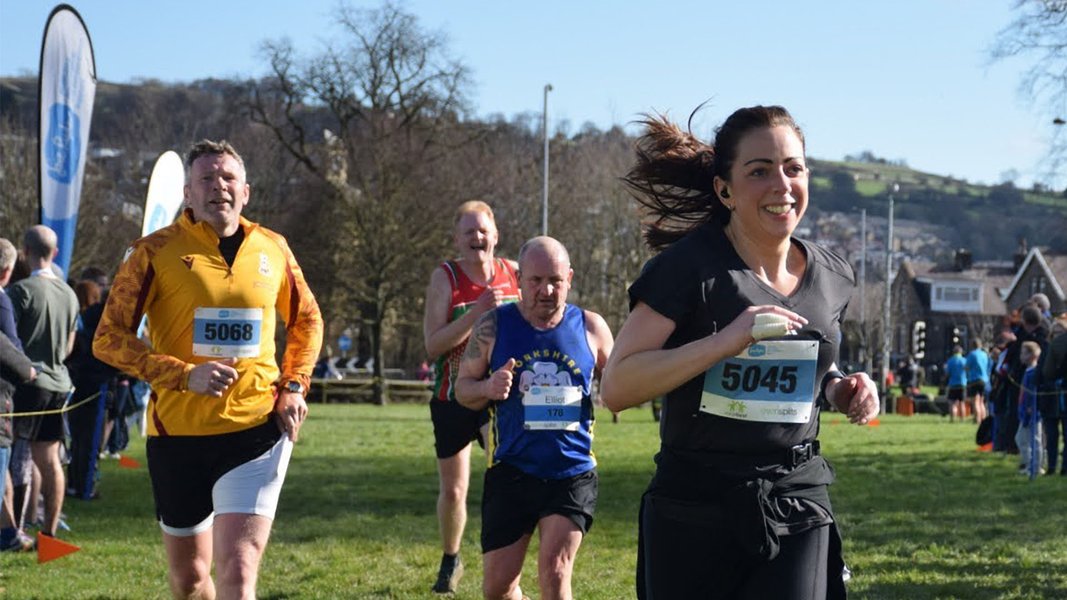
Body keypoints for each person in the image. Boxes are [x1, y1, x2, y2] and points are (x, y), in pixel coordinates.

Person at [600, 106, 878, 599]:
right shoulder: (688, 270)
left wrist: (841, 388)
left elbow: (817, 362)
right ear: (723, 189)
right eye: (759, 171)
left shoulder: (833, 275)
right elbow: (618, 386)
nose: (781, 184)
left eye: (793, 167)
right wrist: (725, 341)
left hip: (795, 494)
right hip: (694, 506)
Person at [94, 139, 323, 599]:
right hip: (177, 433)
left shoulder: (273, 248)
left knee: (238, 572)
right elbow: (108, 338)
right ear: (188, 193)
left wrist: (294, 385)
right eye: (206, 179)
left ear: (246, 191)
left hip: (256, 427)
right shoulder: (152, 251)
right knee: (191, 579)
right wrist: (182, 374)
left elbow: (307, 320)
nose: (218, 186)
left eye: (228, 178)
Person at [454, 236, 613, 600]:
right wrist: (488, 388)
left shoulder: (591, 327)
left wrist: (616, 394)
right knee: (499, 589)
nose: (546, 290)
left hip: (571, 472)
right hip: (511, 470)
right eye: (536, 281)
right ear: (520, 280)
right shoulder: (491, 327)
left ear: (569, 278)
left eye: (555, 280)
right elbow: (462, 389)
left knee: (556, 573)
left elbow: (624, 381)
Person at [422, 200, 520, 593]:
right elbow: (433, 345)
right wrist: (475, 313)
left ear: (495, 235)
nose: (477, 238)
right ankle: (451, 558)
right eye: (469, 232)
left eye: (483, 231)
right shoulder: (445, 278)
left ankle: (502, 562)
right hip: (452, 397)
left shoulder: (514, 273)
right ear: (457, 239)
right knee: (455, 489)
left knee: (506, 475)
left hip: (497, 397)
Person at [7, 225, 80, 541]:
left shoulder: (20, 291)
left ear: (24, 253)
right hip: (59, 383)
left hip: (27, 385)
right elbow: (68, 346)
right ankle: (48, 531)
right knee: (48, 460)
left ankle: (14, 528)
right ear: (56, 252)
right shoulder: (69, 293)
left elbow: (9, 344)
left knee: (17, 459)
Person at [1039, 319, 1067, 474]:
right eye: (1055, 333)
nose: (1058, 336)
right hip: (1050, 400)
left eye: (1061, 333)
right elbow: (1042, 373)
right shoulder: (1046, 350)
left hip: (1063, 398)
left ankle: (1065, 468)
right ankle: (1051, 466)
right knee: (1051, 436)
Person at [1016, 341, 1045, 477]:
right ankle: (1029, 464)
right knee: (1021, 438)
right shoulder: (1027, 371)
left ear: (1032, 356)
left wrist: (1031, 407)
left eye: (1023, 353)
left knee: (1035, 439)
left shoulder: (1034, 372)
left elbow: (1033, 393)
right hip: (1024, 411)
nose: (1021, 356)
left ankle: (1036, 467)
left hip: (1032, 412)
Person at [965, 339, 991, 426]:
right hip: (984, 379)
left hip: (974, 379)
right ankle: (983, 418)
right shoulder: (984, 354)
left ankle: (977, 419)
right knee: (982, 401)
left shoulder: (972, 354)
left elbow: (966, 367)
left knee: (975, 401)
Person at [944, 345, 968, 422]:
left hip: (953, 384)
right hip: (962, 383)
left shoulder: (950, 361)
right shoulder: (964, 360)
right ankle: (962, 419)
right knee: (962, 403)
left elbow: (947, 373)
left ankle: (952, 418)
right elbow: (967, 371)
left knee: (952, 403)